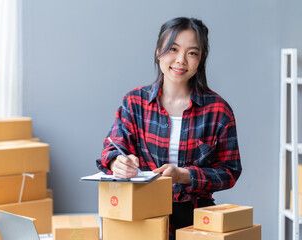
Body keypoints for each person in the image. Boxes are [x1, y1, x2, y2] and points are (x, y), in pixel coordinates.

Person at [96, 17, 242, 240]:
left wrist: (184, 175)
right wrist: (119, 163)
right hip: (141, 212)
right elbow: (111, 148)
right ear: (158, 51)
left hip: (195, 217)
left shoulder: (218, 111)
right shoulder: (135, 102)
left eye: (192, 53)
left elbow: (230, 171)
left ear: (201, 59)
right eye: (173, 49)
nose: (181, 60)